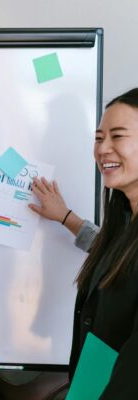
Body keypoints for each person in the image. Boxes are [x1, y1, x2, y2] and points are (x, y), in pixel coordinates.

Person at [30, 88, 138, 398]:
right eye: (99, 137)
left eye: (118, 136)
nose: (104, 149)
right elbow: (116, 256)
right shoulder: (126, 220)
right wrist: (65, 217)